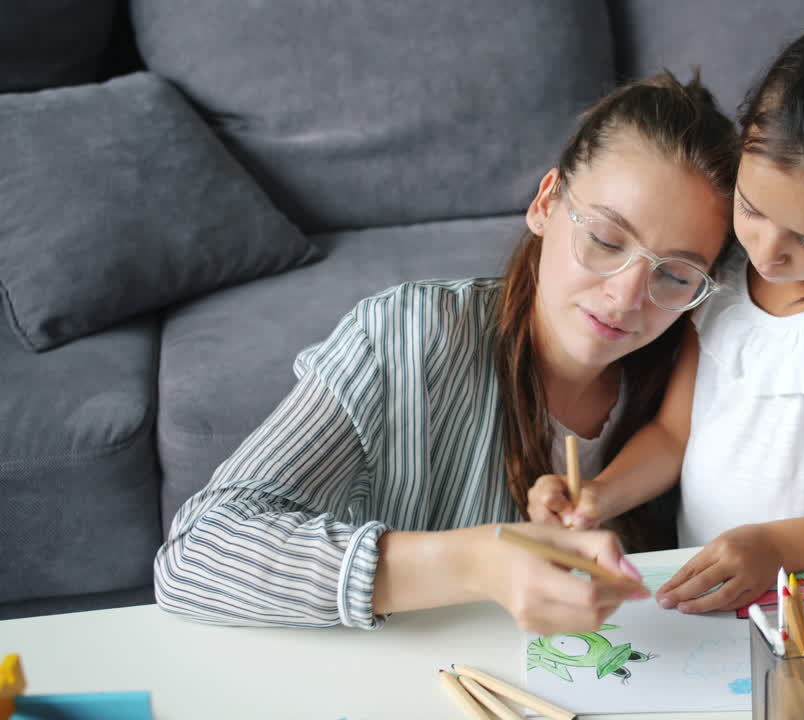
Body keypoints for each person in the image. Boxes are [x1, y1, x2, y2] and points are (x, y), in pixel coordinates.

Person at [153, 71, 739, 634]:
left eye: (676, 275)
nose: (627, 296)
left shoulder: (693, 366)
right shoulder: (405, 336)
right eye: (606, 240)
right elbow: (196, 554)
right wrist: (478, 563)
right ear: (546, 203)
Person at [528, 14, 804, 614]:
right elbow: (674, 434)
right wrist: (597, 496)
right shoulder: (722, 274)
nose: (767, 253)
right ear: (743, 146)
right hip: (710, 602)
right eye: (751, 209)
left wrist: (780, 546)